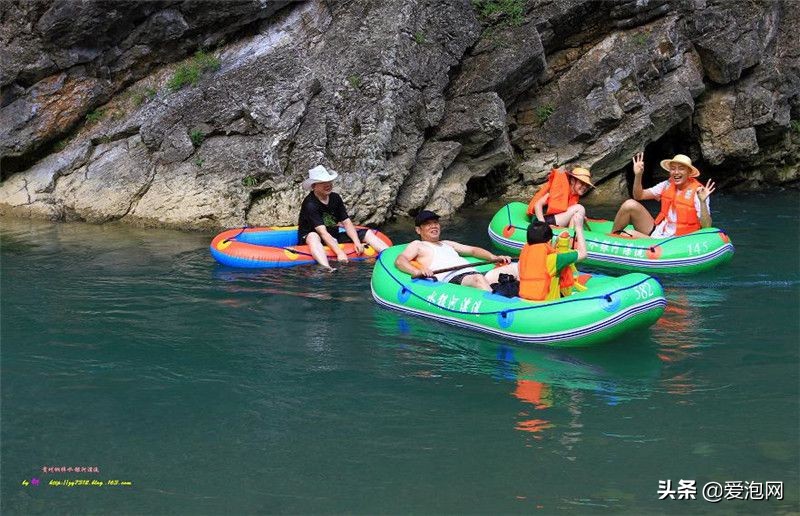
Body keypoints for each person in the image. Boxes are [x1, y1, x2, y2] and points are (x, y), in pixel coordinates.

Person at [394, 210, 516, 291]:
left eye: (435, 222)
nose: (433, 226)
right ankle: (498, 307)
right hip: (454, 278)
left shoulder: (447, 243)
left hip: (472, 274)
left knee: (515, 267)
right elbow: (400, 260)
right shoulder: (418, 245)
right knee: (478, 278)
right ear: (418, 230)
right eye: (427, 224)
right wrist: (416, 271)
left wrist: (493, 257)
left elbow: (473, 250)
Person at [297, 165, 388, 271]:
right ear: (314, 186)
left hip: (333, 234)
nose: (328, 185)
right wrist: (340, 253)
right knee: (313, 236)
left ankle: (390, 255)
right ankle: (326, 268)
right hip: (313, 236)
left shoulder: (335, 198)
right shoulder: (310, 204)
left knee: (367, 233)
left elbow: (346, 222)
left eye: (329, 181)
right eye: (323, 182)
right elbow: (322, 233)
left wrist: (356, 242)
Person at [610, 152, 715, 238]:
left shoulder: (699, 192)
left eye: (681, 168)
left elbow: (707, 227)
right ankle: (610, 238)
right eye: (673, 168)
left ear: (689, 172)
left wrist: (702, 202)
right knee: (629, 204)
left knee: (627, 234)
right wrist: (638, 175)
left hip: (679, 241)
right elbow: (639, 196)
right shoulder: (666, 184)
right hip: (659, 232)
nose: (676, 172)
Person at [518, 219, 588, 302]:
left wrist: (555, 245)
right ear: (549, 241)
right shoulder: (555, 260)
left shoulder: (523, 258)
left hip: (527, 304)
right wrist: (579, 228)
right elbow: (583, 254)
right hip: (549, 306)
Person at [527, 166, 594, 228]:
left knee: (577, 214)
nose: (584, 187)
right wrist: (542, 224)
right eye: (582, 183)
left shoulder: (573, 194)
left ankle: (570, 233)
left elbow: (566, 211)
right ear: (572, 181)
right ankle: (570, 233)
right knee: (580, 208)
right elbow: (538, 204)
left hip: (554, 220)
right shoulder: (559, 190)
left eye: (587, 185)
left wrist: (581, 216)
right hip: (544, 221)